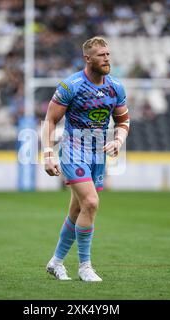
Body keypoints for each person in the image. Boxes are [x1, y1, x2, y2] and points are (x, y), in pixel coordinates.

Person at [41, 36, 130, 282]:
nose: (107, 58)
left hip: (97, 154)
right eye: (102, 55)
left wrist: (118, 141)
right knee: (91, 202)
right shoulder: (71, 86)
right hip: (73, 151)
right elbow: (50, 120)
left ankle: (56, 262)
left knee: (78, 209)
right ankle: (85, 266)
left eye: (108, 54)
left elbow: (123, 121)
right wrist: (48, 154)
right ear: (88, 58)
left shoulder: (115, 87)